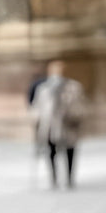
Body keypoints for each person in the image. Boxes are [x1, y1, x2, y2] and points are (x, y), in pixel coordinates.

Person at [32, 60, 86, 189]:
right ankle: (54, 177)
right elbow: (37, 106)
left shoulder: (73, 87)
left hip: (68, 124)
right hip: (49, 125)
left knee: (69, 150)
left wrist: (73, 115)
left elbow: (79, 106)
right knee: (51, 151)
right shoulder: (43, 88)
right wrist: (36, 121)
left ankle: (69, 178)